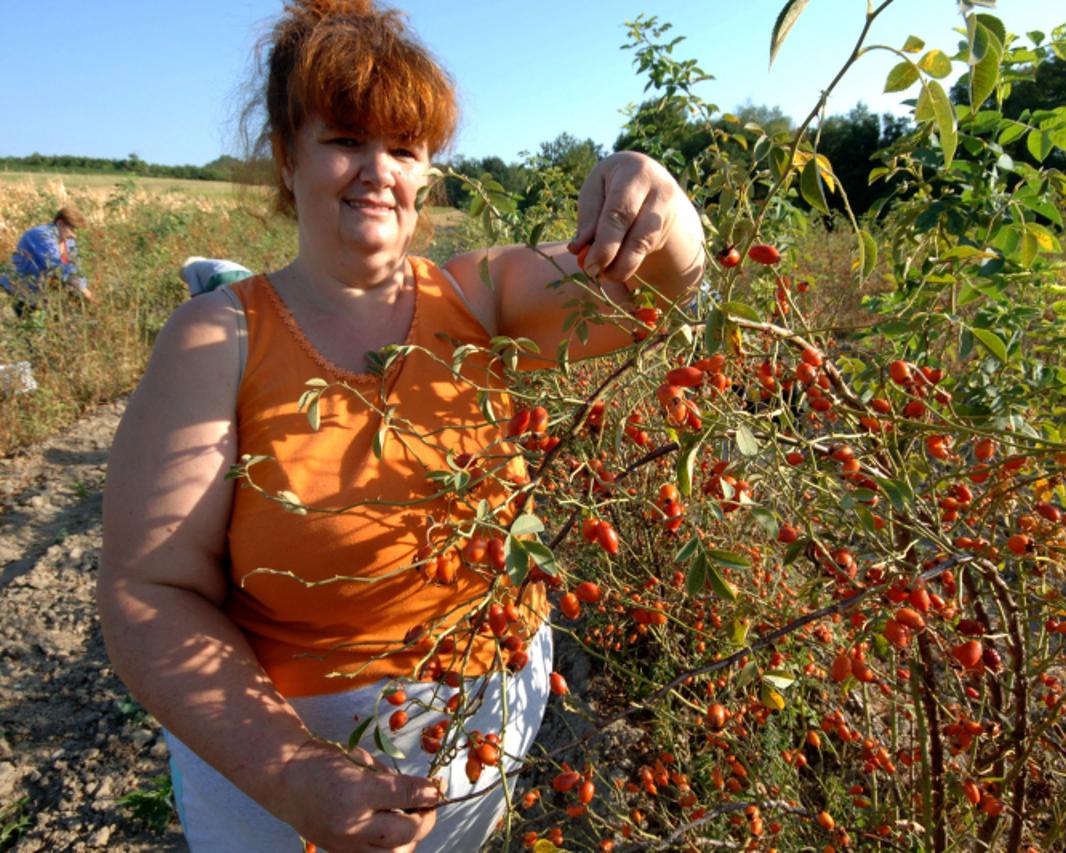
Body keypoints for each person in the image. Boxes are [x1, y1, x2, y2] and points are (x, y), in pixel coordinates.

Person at [96, 1, 704, 851]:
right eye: (346, 138)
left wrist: (659, 200)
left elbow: (655, 294)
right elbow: (148, 594)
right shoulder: (219, 337)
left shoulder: (477, 294)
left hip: (485, 725)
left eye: (406, 149)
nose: (379, 170)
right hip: (286, 765)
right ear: (287, 155)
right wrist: (290, 770)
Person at [1, 206, 94, 312]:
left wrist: (82, 286)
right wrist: (81, 288)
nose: (74, 235)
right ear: (60, 223)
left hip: (39, 290)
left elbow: (75, 265)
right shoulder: (41, 235)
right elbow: (56, 264)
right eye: (72, 230)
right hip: (19, 287)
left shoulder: (68, 240)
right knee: (28, 322)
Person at [179, 256, 253, 297]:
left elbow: (197, 296)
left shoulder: (189, 269)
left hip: (223, 276)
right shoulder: (210, 264)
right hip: (248, 275)